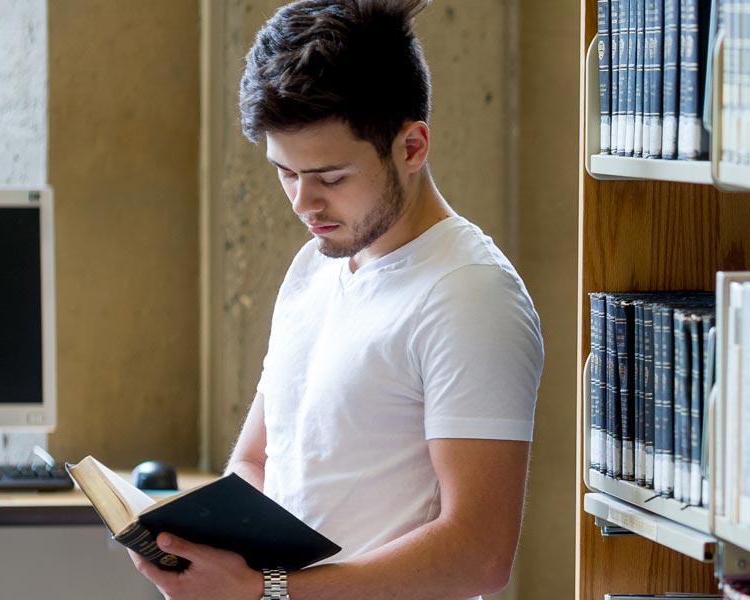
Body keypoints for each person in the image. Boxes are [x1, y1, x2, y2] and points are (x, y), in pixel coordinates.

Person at [127, 1, 542, 598]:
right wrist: (200, 554)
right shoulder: (314, 268)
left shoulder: (470, 296)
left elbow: (478, 552)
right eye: (286, 173)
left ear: (412, 147)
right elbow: (256, 460)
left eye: (330, 176)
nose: (303, 203)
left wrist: (266, 591)